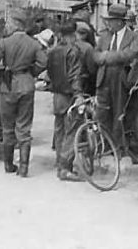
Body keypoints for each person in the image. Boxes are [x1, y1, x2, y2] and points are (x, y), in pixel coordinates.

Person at [0, 8, 47, 177]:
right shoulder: (34, 43)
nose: (7, 25)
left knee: (7, 127)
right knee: (24, 127)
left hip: (8, 86)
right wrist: (30, 73)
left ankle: (8, 165)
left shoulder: (4, 42)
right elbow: (43, 62)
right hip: (26, 85)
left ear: (15, 23)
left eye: (9, 22)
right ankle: (24, 167)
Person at [47, 20, 85, 181]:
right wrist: (79, 95)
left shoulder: (53, 51)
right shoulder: (74, 51)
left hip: (57, 95)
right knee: (72, 130)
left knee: (59, 130)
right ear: (73, 34)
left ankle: (59, 163)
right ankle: (65, 167)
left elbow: (49, 73)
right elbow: (75, 75)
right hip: (69, 95)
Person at [93, 3, 135, 144]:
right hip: (103, 78)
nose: (108, 23)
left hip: (121, 80)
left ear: (119, 21)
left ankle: (118, 147)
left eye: (110, 20)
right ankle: (103, 145)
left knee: (119, 113)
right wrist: (103, 57)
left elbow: (130, 56)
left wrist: (110, 56)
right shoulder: (104, 36)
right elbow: (95, 55)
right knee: (102, 113)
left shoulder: (132, 37)